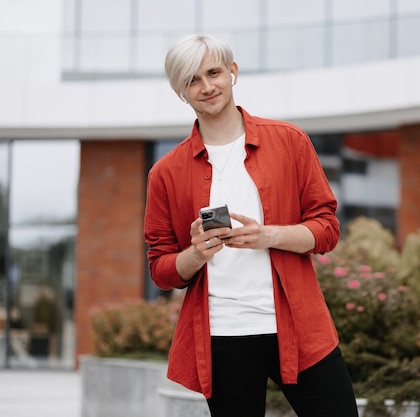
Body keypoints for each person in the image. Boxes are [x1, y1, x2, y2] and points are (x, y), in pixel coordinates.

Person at [143, 34, 359, 417]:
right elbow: (161, 270)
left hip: (299, 326)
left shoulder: (289, 142)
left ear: (233, 72)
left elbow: (327, 229)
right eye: (193, 80)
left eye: (214, 72)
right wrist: (195, 254)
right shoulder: (166, 173)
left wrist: (267, 235)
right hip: (222, 336)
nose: (207, 87)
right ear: (181, 92)